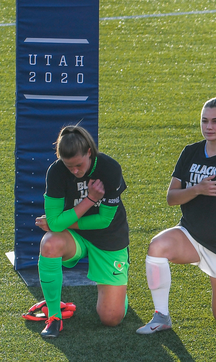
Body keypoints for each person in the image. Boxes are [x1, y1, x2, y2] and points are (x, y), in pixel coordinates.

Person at [137, 97, 216, 334]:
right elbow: (171, 198)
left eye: (215, 121)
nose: (208, 126)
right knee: (157, 247)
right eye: (204, 121)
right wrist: (197, 189)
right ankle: (161, 316)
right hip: (190, 236)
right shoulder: (190, 152)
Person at [35, 125, 130, 338]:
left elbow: (104, 221)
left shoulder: (109, 168)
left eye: (79, 165)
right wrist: (90, 199)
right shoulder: (56, 171)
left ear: (89, 152)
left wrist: (61, 223)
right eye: (69, 166)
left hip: (109, 237)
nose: (75, 171)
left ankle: (119, 290)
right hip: (76, 237)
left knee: (111, 318)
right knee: (49, 242)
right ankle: (54, 316)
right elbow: (55, 225)